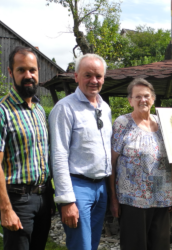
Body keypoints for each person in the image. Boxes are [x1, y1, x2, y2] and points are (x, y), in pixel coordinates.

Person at [0, 46, 54, 250]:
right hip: (18, 200)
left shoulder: (40, 110)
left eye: (32, 70)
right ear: (10, 72)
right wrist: (6, 209)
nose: (28, 75)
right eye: (21, 70)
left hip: (43, 197)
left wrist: (48, 199)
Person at [110, 78, 172, 250]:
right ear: (130, 100)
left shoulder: (164, 125)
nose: (143, 100)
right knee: (134, 246)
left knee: (160, 246)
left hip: (161, 198)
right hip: (132, 200)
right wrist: (113, 199)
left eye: (146, 96)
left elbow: (169, 162)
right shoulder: (122, 124)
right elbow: (112, 163)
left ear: (153, 99)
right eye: (137, 96)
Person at [49, 54, 112, 250]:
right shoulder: (65, 108)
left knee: (91, 245)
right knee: (81, 246)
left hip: (101, 187)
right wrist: (67, 200)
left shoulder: (105, 108)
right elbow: (58, 155)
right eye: (88, 75)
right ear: (76, 77)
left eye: (98, 76)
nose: (94, 81)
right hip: (78, 187)